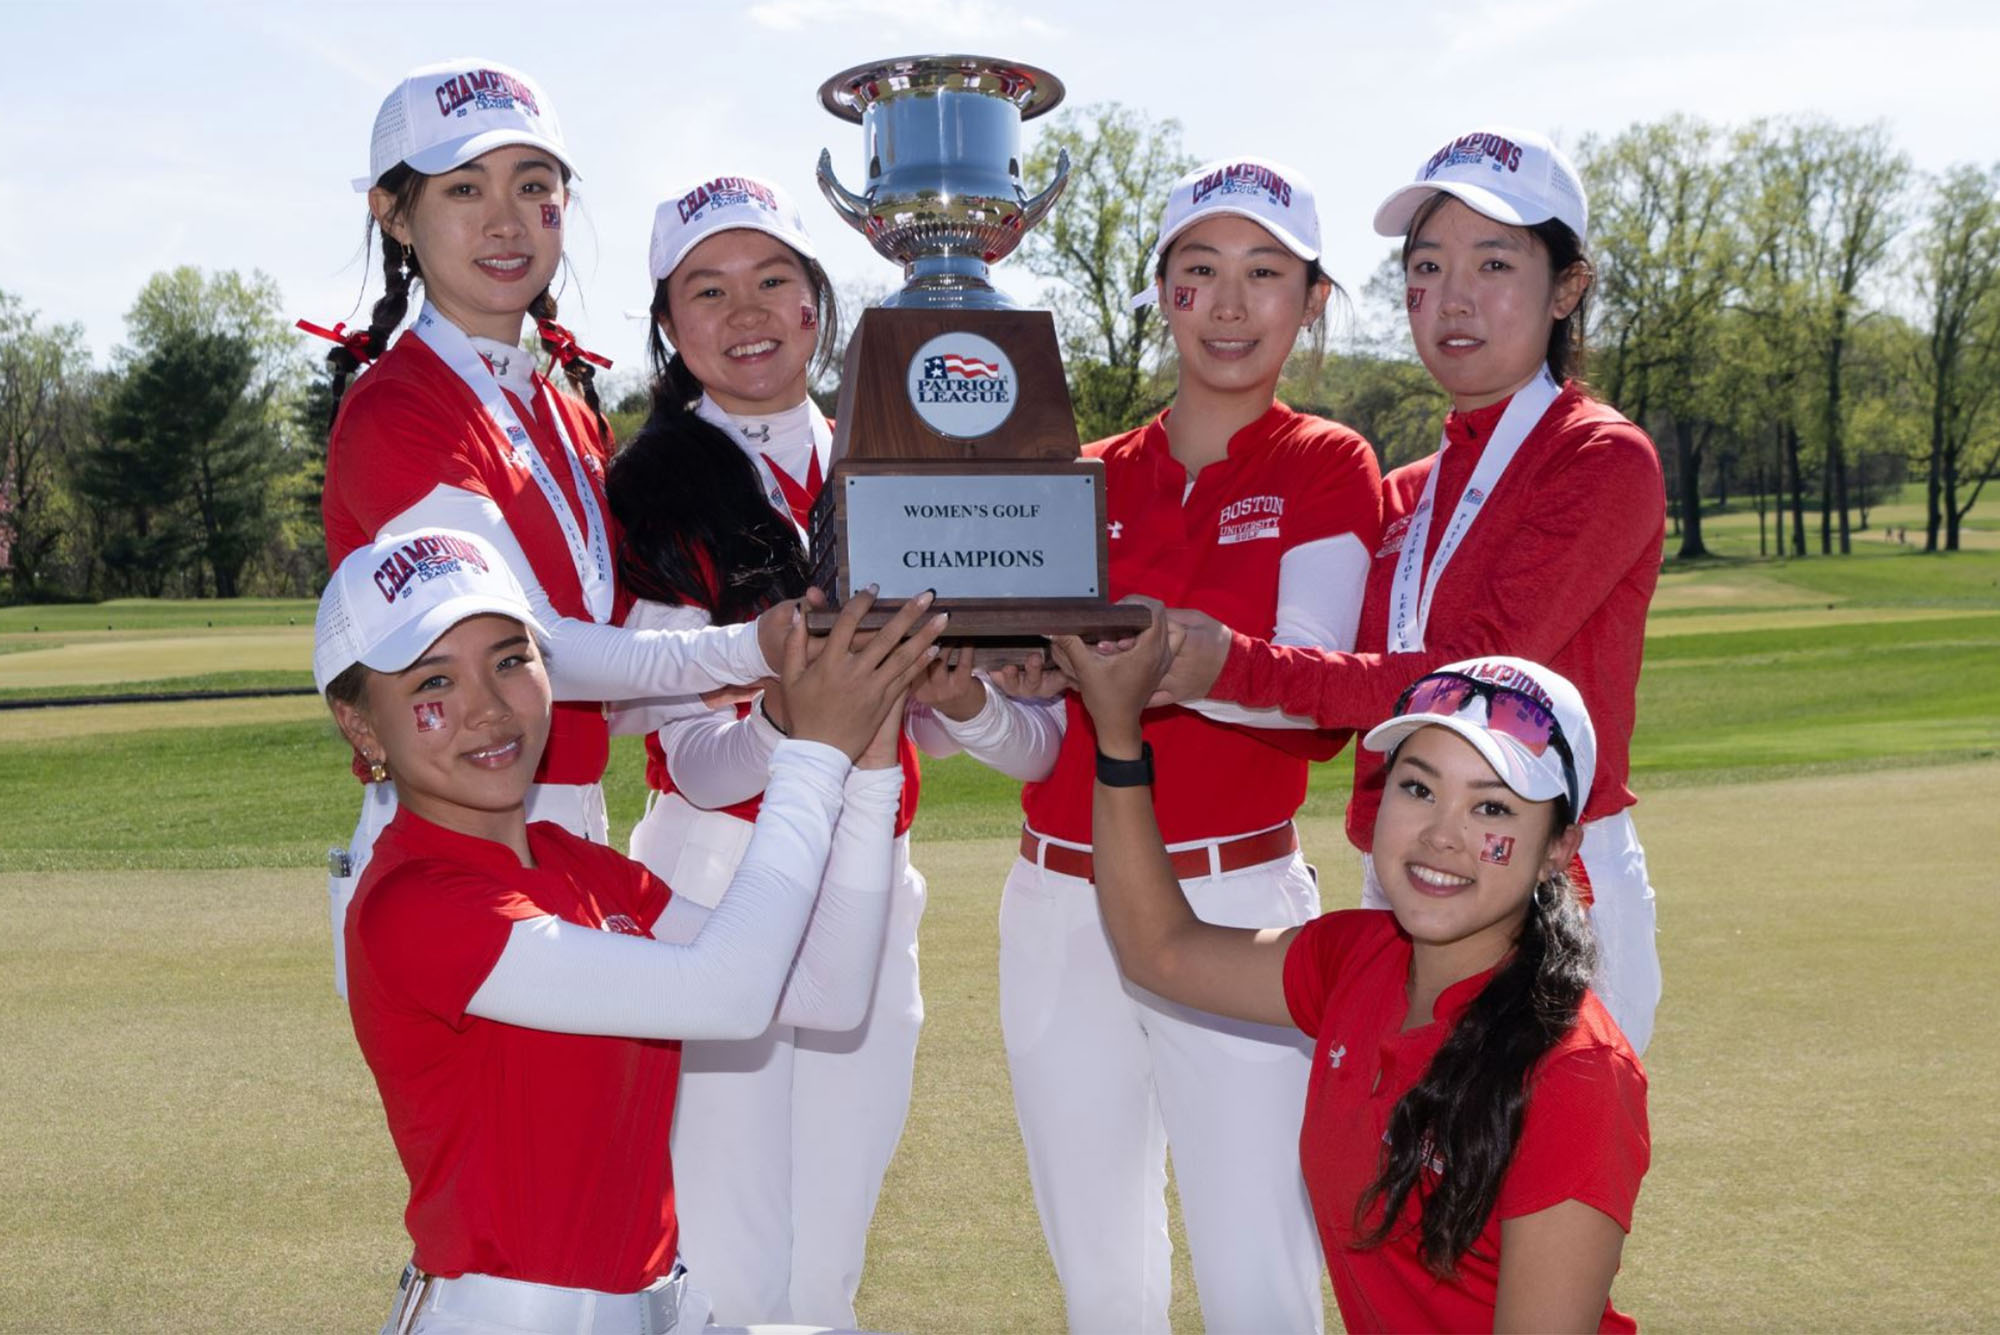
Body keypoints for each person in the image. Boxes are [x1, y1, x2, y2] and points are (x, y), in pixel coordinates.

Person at [917, 158, 1381, 1332]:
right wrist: (970, 698)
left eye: (1263, 275)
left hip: (1235, 900)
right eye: (1198, 274)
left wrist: (1153, 663)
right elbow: (1041, 748)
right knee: (1099, 1272)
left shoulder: (1326, 464)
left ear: (1310, 300)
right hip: (1055, 902)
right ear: (1161, 293)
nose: (1228, 307)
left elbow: (1306, 689)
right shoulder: (1078, 481)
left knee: (1255, 1267)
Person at [314, 526, 945, 1335]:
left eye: (512, 659)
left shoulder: (581, 867)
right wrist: (813, 752)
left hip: (663, 1306)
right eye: (434, 681)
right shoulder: (413, 900)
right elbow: (729, 994)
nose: (489, 708)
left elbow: (825, 989)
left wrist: (872, 747)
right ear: (361, 726)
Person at [1155, 127, 1667, 1054]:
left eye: (1496, 261)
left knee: (1541, 1187)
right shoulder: (1407, 495)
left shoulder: (1599, 457)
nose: (1454, 296)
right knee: (1402, 1189)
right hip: (1401, 880)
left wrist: (1224, 663)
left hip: (1554, 881)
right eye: (1428, 264)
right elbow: (1332, 671)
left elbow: (1460, 682)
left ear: (1567, 288)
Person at [309, 60, 793, 996]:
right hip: (458, 830)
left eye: (535, 186)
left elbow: (627, 634)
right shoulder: (398, 412)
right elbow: (543, 652)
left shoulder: (569, 412)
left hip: (565, 816)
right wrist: (759, 646)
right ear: (394, 215)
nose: (507, 220)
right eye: (465, 189)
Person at [1056, 620, 1650, 1333]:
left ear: (1559, 848)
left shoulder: (1577, 1073)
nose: (1440, 834)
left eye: (1491, 806)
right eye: (1418, 788)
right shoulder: (1358, 956)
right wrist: (1117, 736)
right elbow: (1163, 951)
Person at [602, 175, 942, 1326]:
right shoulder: (651, 482)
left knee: (829, 1261)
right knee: (731, 1262)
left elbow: (927, 713)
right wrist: (797, 722)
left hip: (872, 867)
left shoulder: (887, 457)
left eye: (771, 280)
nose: (744, 312)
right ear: (670, 324)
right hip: (712, 878)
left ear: (814, 306)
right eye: (707, 288)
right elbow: (689, 758)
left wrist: (966, 684)